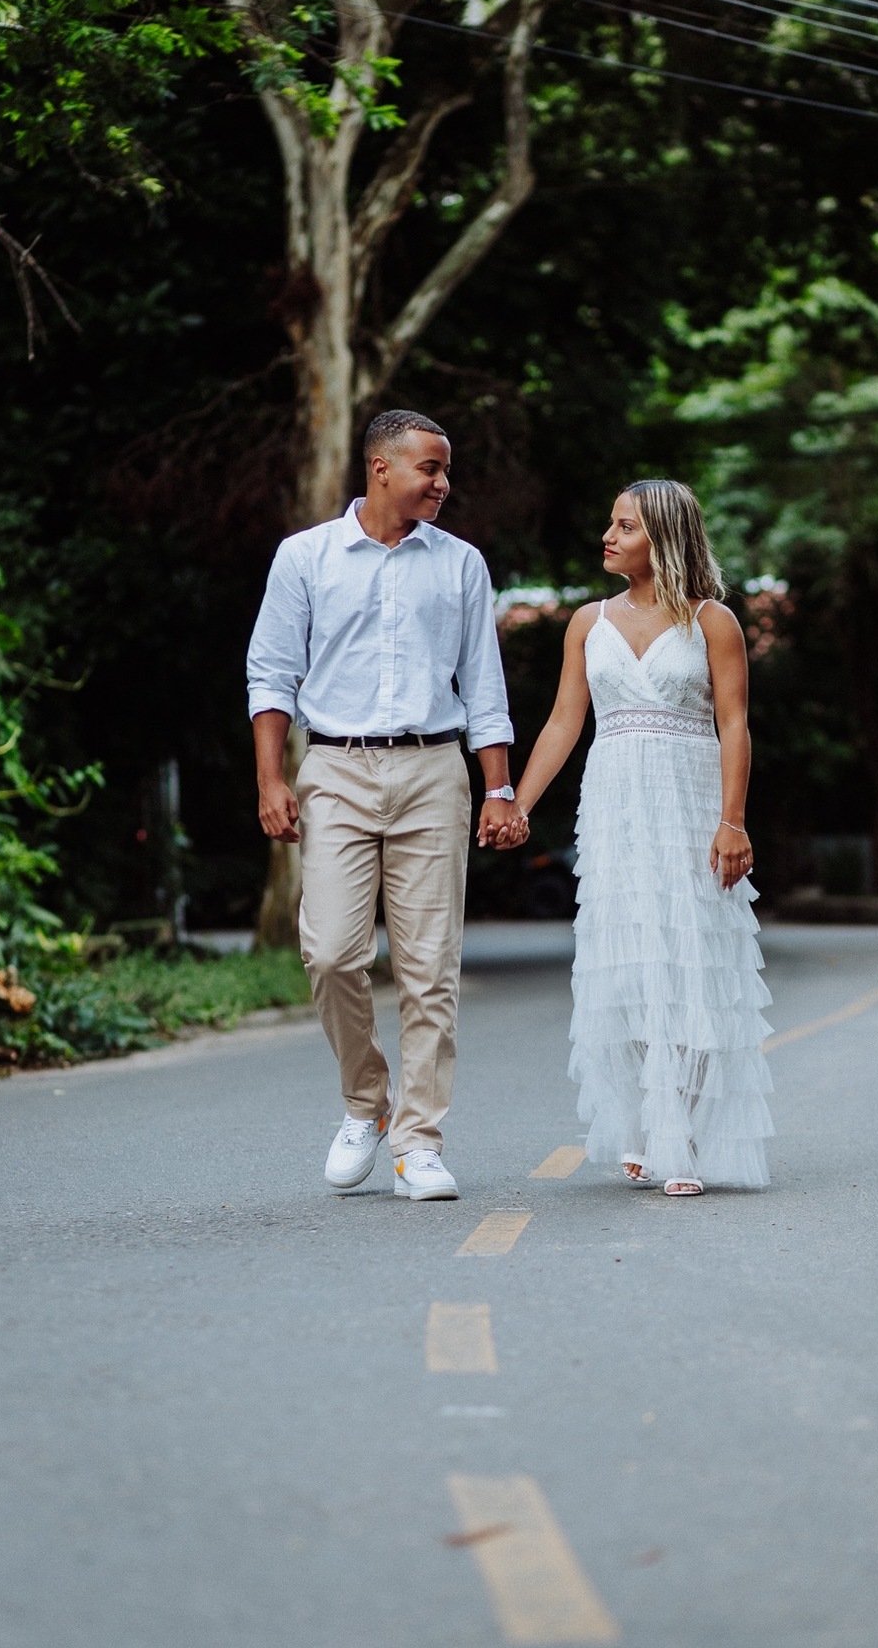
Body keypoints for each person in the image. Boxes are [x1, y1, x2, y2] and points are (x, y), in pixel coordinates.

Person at [246, 410, 522, 1201]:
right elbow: (271, 676)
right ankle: (366, 1102)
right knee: (331, 952)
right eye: (430, 469)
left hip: (435, 769)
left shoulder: (461, 564)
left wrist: (497, 787)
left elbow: (485, 684)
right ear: (381, 468)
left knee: (430, 967)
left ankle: (419, 1143)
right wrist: (271, 779)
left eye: (445, 471)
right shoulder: (305, 558)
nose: (443, 483)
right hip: (334, 767)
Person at [508, 480, 774, 1196]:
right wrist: (516, 802)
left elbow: (733, 725)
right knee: (623, 957)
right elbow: (565, 721)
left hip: (691, 800)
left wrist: (732, 820)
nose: (607, 534)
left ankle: (678, 1129)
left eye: (624, 525)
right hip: (615, 803)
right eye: (609, 521)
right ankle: (639, 1119)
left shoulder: (712, 621)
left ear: (661, 538)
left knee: (690, 955)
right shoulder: (585, 623)